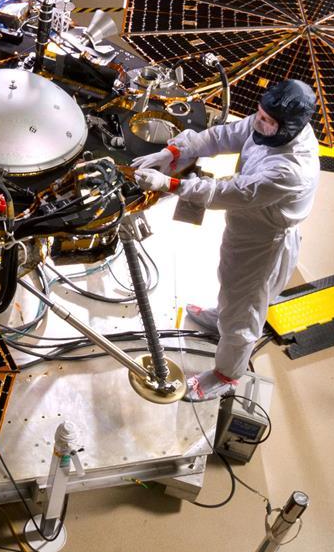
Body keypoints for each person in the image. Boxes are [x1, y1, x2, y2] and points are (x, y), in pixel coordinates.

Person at [131, 79, 320, 402]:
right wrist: (173, 151)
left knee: (244, 310)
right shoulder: (270, 125)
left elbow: (228, 192)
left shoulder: (291, 169)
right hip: (247, 227)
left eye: (267, 120)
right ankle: (222, 317)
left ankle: (226, 374)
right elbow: (223, 135)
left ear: (289, 126)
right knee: (230, 281)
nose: (258, 122)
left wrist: (169, 183)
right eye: (259, 114)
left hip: (264, 242)